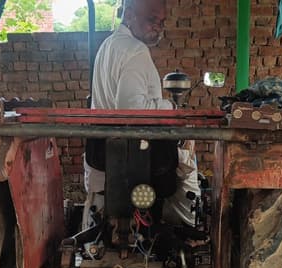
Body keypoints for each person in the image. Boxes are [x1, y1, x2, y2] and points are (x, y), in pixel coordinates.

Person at [85, 0, 200, 227]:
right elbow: (131, 108)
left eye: (161, 22)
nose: (157, 27)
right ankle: (188, 227)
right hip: (138, 155)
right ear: (128, 15)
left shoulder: (107, 46)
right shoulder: (136, 50)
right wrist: (171, 108)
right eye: (151, 20)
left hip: (104, 150)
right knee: (189, 164)